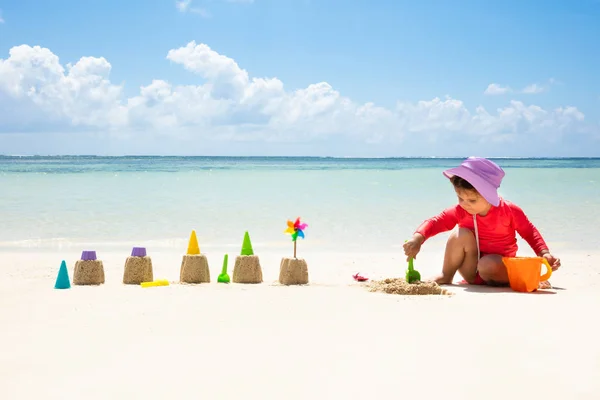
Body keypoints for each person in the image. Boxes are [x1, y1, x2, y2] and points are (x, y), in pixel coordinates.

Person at [403, 156, 561, 287]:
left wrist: (544, 253)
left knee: (488, 263)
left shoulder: (508, 211)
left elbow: (529, 232)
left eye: (472, 200)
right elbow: (436, 222)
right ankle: (446, 275)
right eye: (460, 198)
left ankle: (526, 279)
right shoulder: (461, 210)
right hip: (471, 270)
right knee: (460, 233)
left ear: (489, 195)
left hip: (497, 267)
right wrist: (418, 238)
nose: (465, 204)